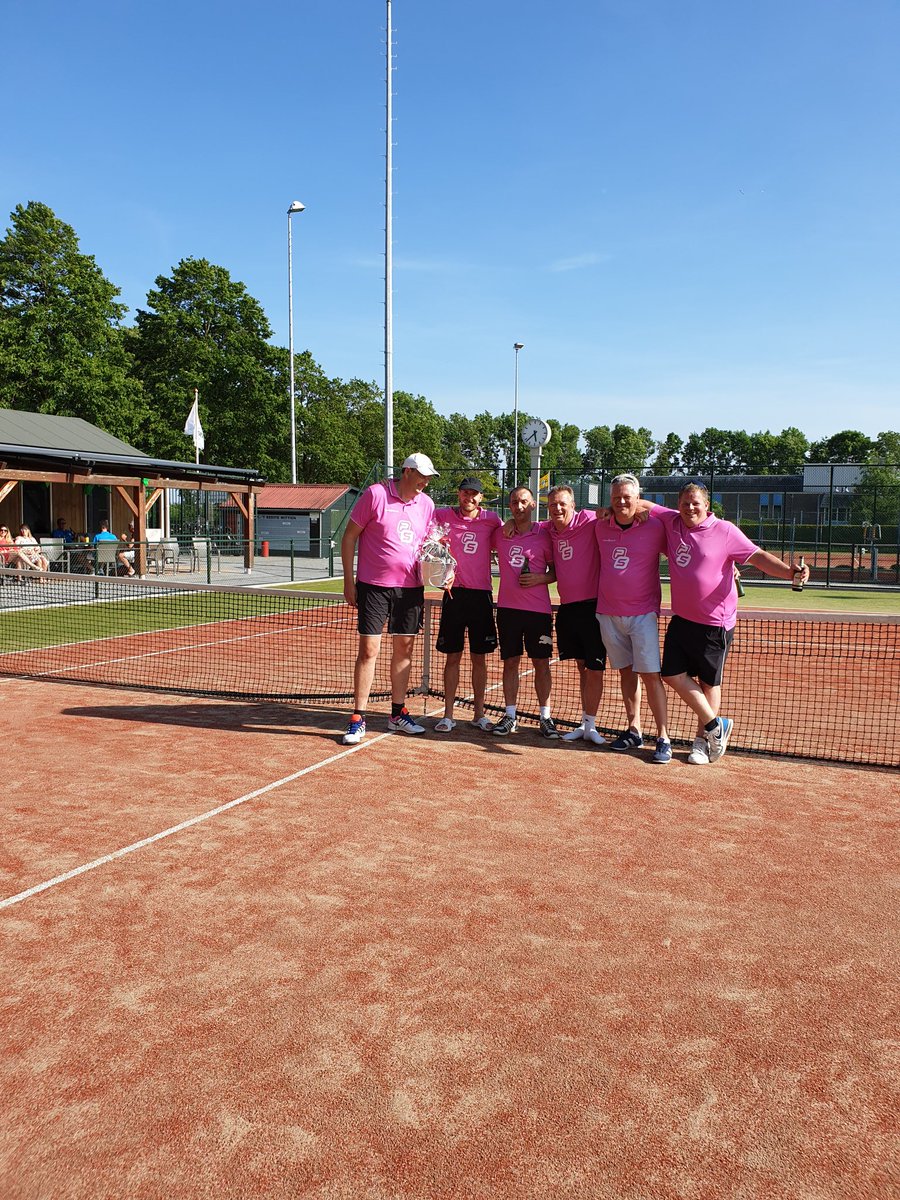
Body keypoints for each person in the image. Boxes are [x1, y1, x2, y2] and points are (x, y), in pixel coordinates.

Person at [644, 482, 809, 765]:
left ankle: (701, 742)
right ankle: (715, 725)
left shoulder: (725, 530)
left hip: (714, 622)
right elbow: (645, 504)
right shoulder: (671, 521)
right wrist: (613, 508)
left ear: (707, 505)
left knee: (710, 683)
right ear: (678, 504)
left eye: (696, 503)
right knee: (671, 674)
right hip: (682, 618)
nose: (690, 508)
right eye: (685, 503)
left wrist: (787, 571)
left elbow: (757, 557)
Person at [340, 453, 440, 745]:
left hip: (411, 589)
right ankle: (358, 717)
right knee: (369, 650)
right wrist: (349, 581)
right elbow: (349, 538)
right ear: (406, 472)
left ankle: (397, 714)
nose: (425, 482)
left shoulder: (427, 504)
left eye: (429, 477)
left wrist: (440, 568)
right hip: (373, 586)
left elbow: (431, 545)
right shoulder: (376, 494)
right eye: (421, 475)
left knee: (404, 651)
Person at [594, 474, 671, 764]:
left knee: (651, 675)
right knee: (626, 672)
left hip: (643, 614)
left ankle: (663, 736)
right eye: (616, 497)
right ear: (610, 499)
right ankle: (634, 729)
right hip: (608, 613)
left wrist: (730, 567)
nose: (622, 501)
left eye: (628, 497)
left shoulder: (657, 527)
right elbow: (567, 520)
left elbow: (690, 543)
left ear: (638, 498)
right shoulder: (600, 525)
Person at [432, 476, 502, 732]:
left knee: (479, 659)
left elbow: (512, 533)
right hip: (453, 595)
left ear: (481, 497)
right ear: (458, 494)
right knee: (452, 657)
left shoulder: (492, 520)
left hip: (481, 595)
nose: (469, 498)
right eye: (465, 493)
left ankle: (479, 714)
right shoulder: (441, 516)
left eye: (474, 494)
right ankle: (448, 715)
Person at [490, 486, 559, 738]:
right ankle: (510, 716)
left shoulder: (545, 534)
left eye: (523, 502)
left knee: (541, 663)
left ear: (533, 505)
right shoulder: (500, 533)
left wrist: (539, 578)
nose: (518, 506)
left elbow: (555, 572)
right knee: (510, 662)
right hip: (508, 610)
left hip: (538, 612)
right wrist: (507, 523)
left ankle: (545, 717)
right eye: (513, 502)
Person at [544, 485, 607, 745]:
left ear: (572, 505)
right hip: (568, 609)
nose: (558, 509)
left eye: (562, 504)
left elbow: (617, 513)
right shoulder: (547, 529)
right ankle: (585, 723)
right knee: (582, 667)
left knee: (595, 669)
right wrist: (512, 521)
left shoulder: (589, 520)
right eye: (552, 505)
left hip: (594, 607)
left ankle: (591, 725)